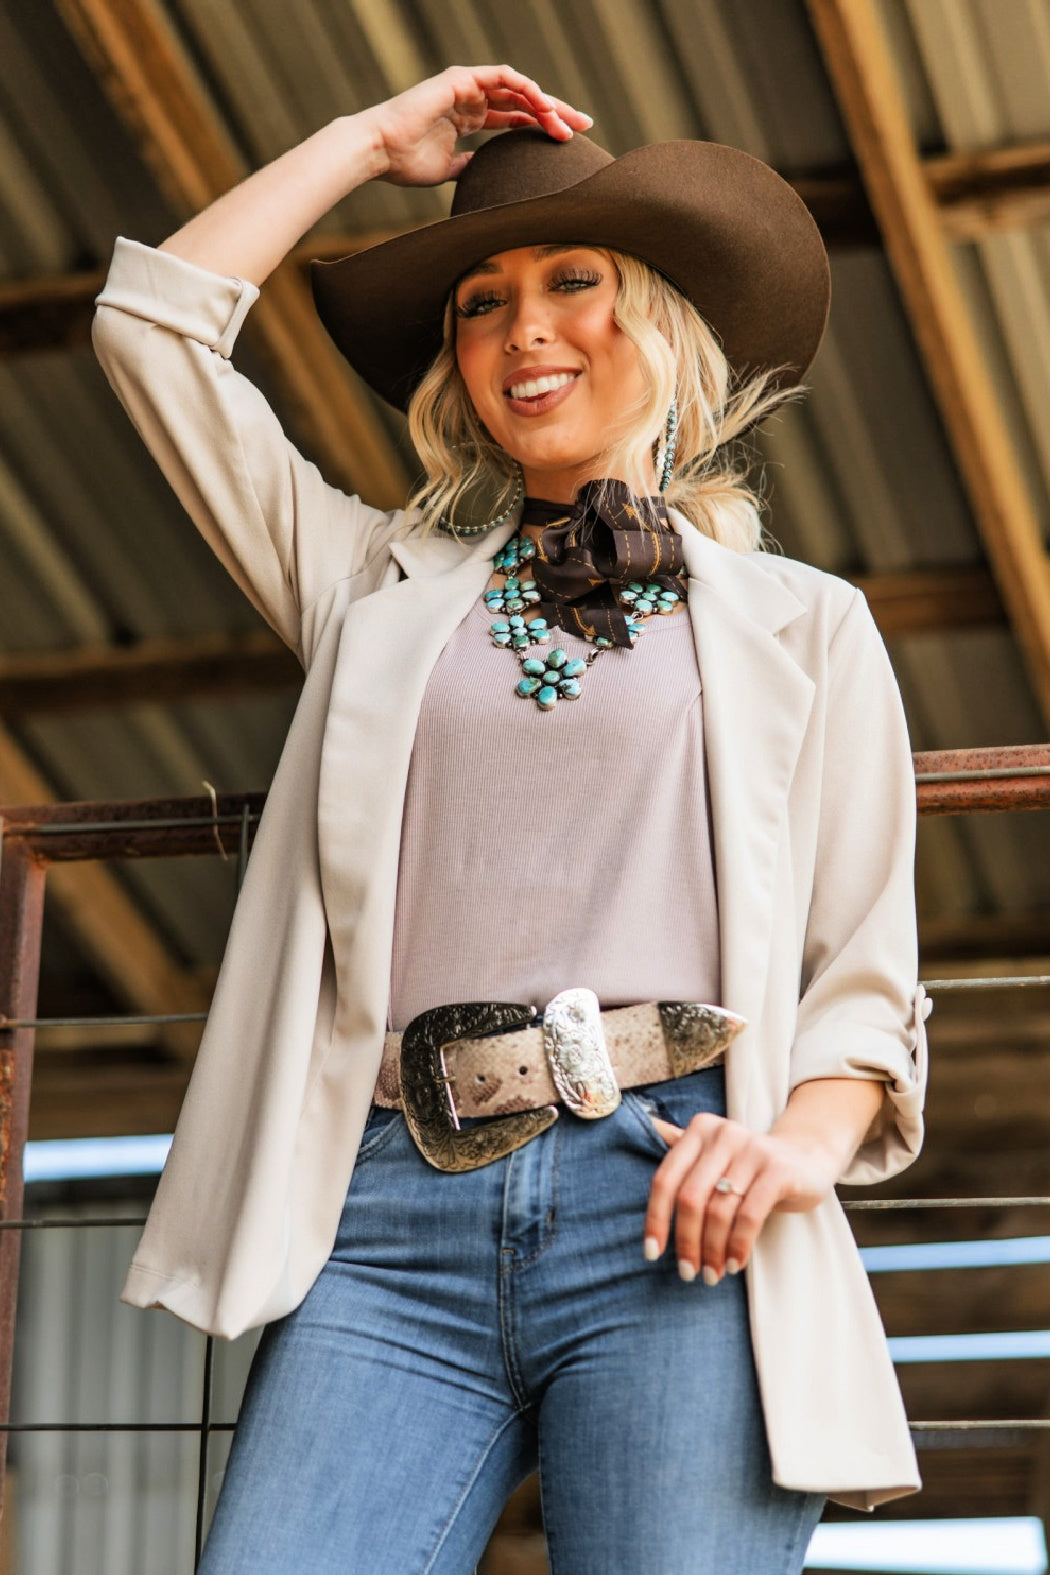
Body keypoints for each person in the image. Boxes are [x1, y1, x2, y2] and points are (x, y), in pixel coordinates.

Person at [91, 65, 929, 1575]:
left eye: (571, 283)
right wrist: (364, 142)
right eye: (480, 303)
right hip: (386, 1216)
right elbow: (151, 331)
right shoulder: (370, 590)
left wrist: (798, 1149)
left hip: (675, 1204)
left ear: (658, 321)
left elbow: (864, 972)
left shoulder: (807, 626)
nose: (524, 329)